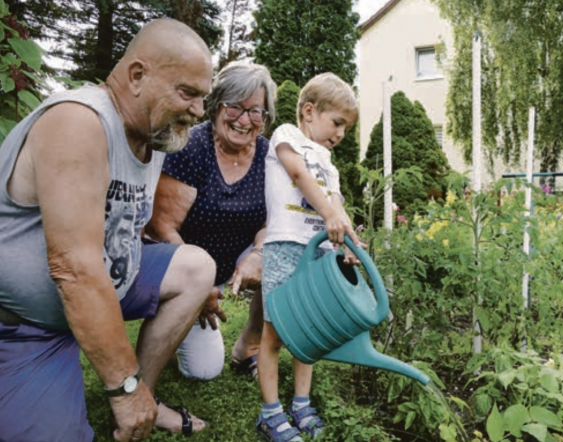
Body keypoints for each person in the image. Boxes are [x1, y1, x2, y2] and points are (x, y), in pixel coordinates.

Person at [0, 18, 223, 442]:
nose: (198, 111)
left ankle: (148, 400)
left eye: (203, 97)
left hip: (101, 287)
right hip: (28, 322)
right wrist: (123, 386)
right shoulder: (79, 122)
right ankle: (129, 394)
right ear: (138, 76)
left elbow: (127, 222)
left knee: (197, 268)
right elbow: (75, 270)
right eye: (188, 93)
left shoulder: (154, 132)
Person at [145, 60, 276, 381]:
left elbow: (271, 223)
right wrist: (200, 287)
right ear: (216, 106)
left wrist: (259, 255)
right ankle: (174, 312)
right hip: (184, 269)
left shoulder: (268, 155)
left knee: (279, 255)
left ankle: (250, 345)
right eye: (235, 108)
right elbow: (161, 226)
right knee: (203, 371)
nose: (245, 120)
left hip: (233, 261)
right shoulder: (191, 146)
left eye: (256, 111)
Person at [256, 72, 361, 442]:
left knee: (308, 331)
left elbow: (336, 206)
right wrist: (331, 216)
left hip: (318, 250)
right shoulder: (288, 135)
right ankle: (270, 413)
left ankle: (301, 403)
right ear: (309, 111)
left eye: (346, 127)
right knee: (274, 333)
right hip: (285, 244)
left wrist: (348, 242)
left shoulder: (329, 162)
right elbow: (299, 174)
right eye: (337, 123)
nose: (341, 133)